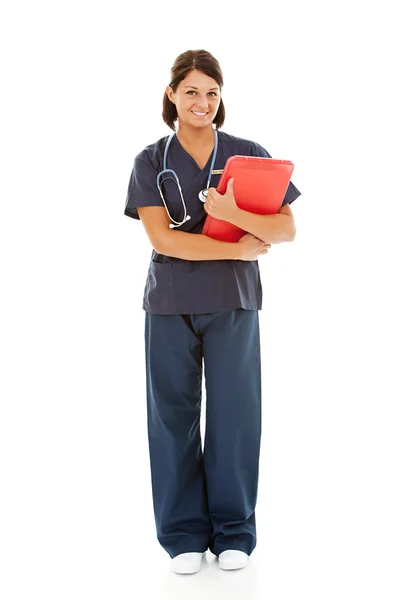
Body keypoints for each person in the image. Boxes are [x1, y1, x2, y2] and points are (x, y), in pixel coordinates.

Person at [124, 49, 301, 574]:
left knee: (236, 417)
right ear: (172, 94)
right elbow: (162, 239)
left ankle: (233, 532)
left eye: (212, 93)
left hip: (233, 302)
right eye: (192, 91)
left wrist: (232, 213)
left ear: (220, 99)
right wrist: (238, 244)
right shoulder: (150, 162)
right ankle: (181, 534)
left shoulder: (249, 155)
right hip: (170, 302)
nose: (202, 102)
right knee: (172, 419)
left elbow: (286, 229)